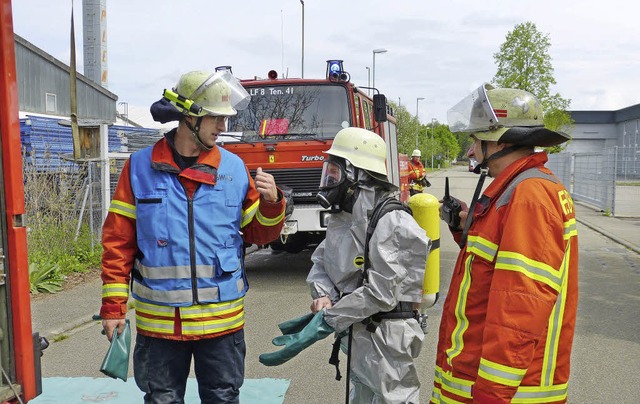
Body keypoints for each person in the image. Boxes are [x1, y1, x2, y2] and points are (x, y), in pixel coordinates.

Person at [100, 70, 286, 403]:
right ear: (190, 117)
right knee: (162, 399)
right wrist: (113, 308)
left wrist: (273, 204)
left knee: (222, 398)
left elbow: (258, 234)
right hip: (160, 328)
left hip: (222, 326)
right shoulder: (138, 167)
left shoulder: (234, 169)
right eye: (215, 117)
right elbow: (118, 243)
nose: (223, 127)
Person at [259, 127, 431, 403]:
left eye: (334, 173)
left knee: (394, 398)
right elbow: (321, 261)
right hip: (357, 330)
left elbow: (380, 292)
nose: (327, 180)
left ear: (357, 176)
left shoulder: (392, 222)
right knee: (360, 395)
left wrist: (329, 319)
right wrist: (324, 296)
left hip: (387, 337)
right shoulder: (345, 218)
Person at [432, 83, 578, 403]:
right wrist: (461, 225)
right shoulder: (517, 188)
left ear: (499, 141)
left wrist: (491, 396)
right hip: (483, 382)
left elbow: (519, 307)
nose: (471, 150)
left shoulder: (529, 196)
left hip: (509, 392)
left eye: (476, 139)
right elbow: (491, 267)